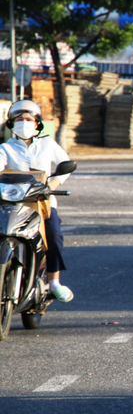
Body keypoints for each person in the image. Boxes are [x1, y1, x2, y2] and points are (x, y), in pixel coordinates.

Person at [0, 100, 73, 302]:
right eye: (19, 119)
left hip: (43, 205)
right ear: (11, 124)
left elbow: (65, 164)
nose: (24, 123)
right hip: (11, 205)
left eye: (29, 119)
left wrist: (54, 184)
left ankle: (54, 282)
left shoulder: (47, 144)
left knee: (54, 234)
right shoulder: (5, 148)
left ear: (37, 123)